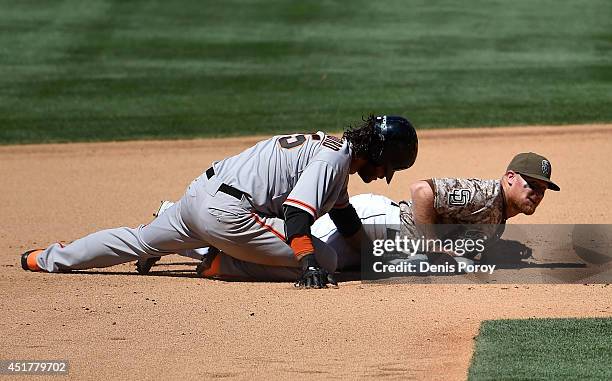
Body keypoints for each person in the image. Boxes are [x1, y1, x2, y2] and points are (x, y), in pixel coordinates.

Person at [20, 115, 419, 289]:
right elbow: (297, 214)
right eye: (388, 168)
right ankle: (217, 262)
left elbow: (344, 217)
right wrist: (309, 263)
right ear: (380, 155)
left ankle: (46, 258)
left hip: (198, 196)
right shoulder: (335, 160)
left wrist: (370, 257)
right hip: (228, 215)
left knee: (138, 240)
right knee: (325, 260)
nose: (384, 177)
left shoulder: (331, 151)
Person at [154, 152, 559, 281]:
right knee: (310, 259)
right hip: (376, 222)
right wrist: (432, 245)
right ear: (509, 178)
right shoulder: (481, 193)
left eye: (541, 190)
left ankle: (209, 253)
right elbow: (421, 191)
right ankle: (188, 232)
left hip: (381, 241)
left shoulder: (499, 215)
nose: (536, 193)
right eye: (530, 184)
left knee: (324, 265)